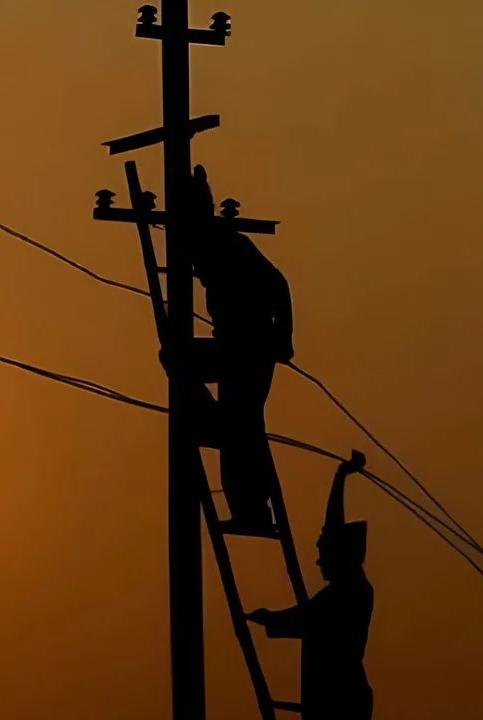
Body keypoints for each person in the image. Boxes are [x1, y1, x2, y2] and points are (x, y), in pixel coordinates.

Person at [188, 165, 294, 535]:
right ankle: (248, 505)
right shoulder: (207, 244)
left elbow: (279, 284)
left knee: (240, 422)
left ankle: (251, 506)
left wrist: (284, 337)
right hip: (234, 346)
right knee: (241, 423)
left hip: (250, 347)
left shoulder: (229, 244)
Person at [248, 450, 374, 720]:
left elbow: (305, 618)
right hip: (335, 695)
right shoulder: (349, 588)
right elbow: (333, 526)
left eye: (323, 553)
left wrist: (269, 618)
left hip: (340, 700)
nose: (318, 561)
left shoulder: (347, 594)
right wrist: (340, 478)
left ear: (339, 556)